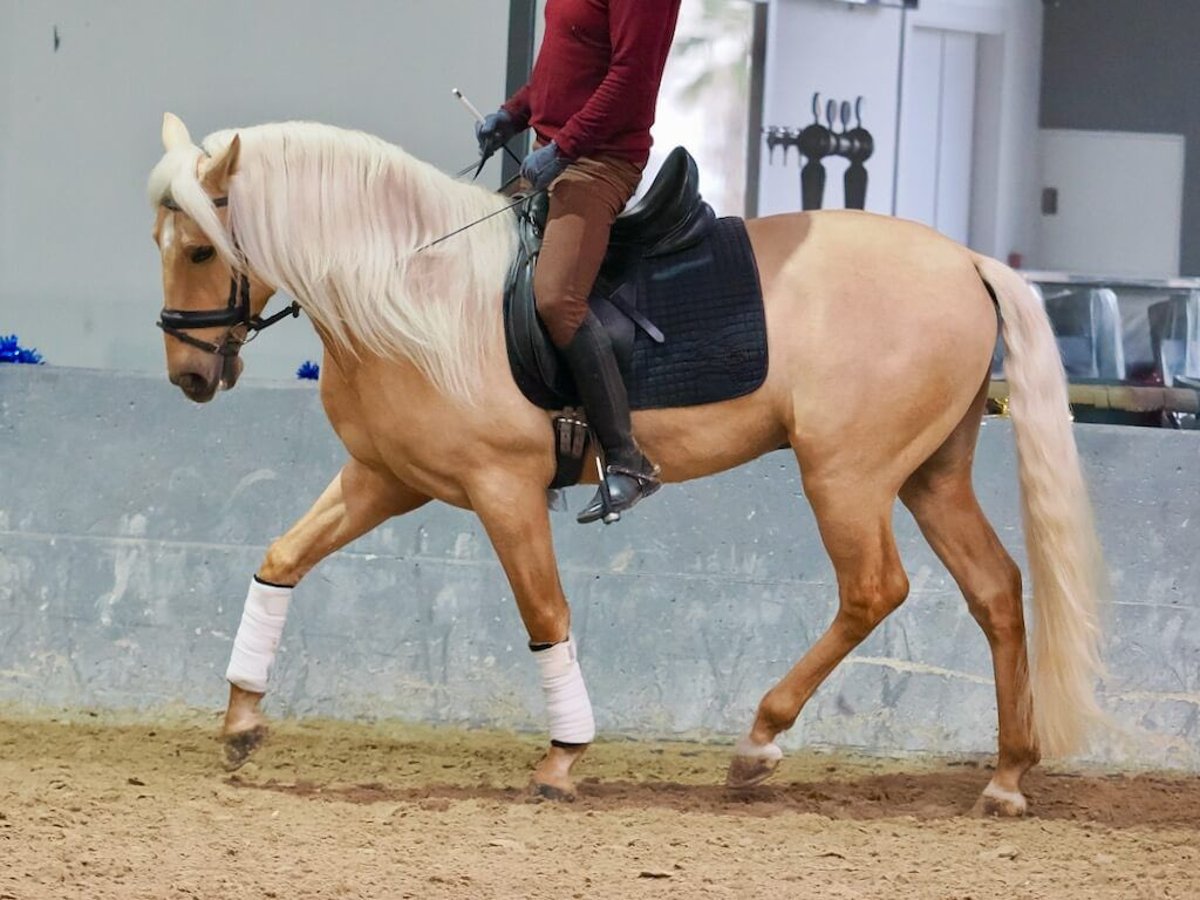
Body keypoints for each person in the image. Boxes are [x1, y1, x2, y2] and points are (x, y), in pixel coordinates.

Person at [476, 0, 683, 525]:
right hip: (560, 150)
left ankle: (628, 462)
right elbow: (562, 62)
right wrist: (515, 112)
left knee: (557, 299)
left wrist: (565, 147)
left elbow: (632, 80)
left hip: (600, 161)